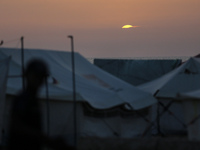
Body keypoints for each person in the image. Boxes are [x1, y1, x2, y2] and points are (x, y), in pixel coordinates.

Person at [8, 59, 74, 150]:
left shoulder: (33, 101)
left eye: (41, 77)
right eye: (36, 76)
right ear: (28, 76)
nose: (38, 81)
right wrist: (45, 139)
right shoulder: (23, 100)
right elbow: (17, 126)